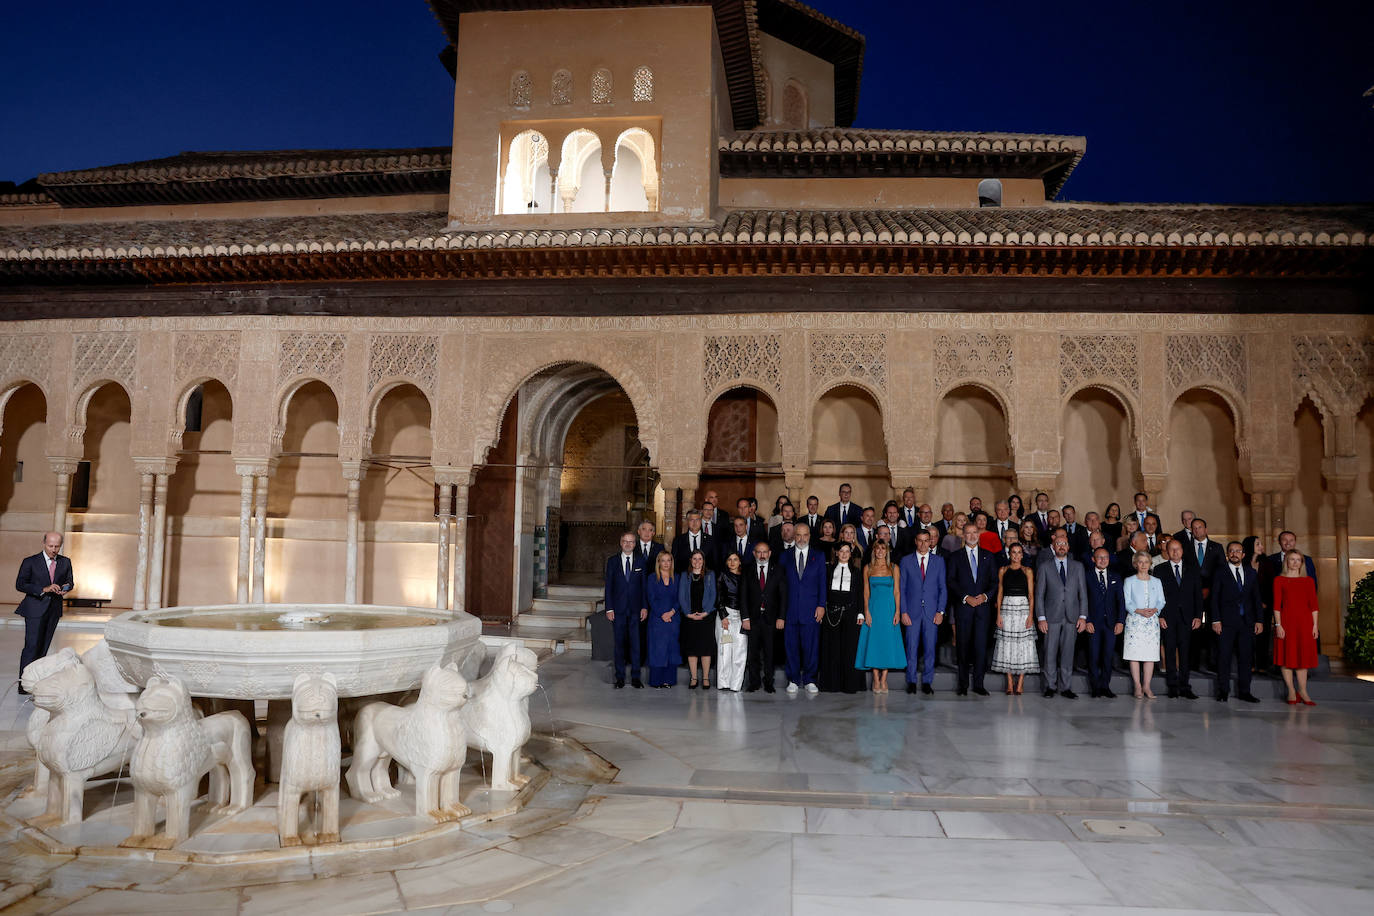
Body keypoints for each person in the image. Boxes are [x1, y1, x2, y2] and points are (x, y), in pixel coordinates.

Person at [15, 531, 73, 687]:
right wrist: (43, 588)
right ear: (44, 543)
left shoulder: (65, 562)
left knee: (44, 647)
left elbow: (69, 582)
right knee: (32, 646)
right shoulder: (30, 561)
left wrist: (65, 588)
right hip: (34, 609)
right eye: (50, 545)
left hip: (53, 609)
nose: (53, 549)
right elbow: (20, 584)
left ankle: (37, 683)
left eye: (57, 546)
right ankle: (24, 684)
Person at [1035, 534, 1088, 699]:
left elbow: (1083, 594)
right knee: (1050, 652)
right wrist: (1041, 617)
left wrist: (1083, 616)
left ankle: (1066, 687)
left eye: (1064, 543)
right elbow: (1039, 595)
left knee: (1068, 653)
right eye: (1058, 544)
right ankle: (1049, 686)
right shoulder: (1045, 566)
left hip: (1072, 617)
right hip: (1051, 616)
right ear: (1053, 546)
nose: (1061, 546)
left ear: (1068, 547)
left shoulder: (1078, 566)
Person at [948, 522, 998, 696]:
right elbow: (951, 581)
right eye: (968, 533)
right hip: (964, 608)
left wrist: (985, 597)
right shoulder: (955, 557)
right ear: (963, 535)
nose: (971, 536)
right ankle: (962, 685)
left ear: (979, 534)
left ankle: (978, 684)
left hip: (983, 609)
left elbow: (994, 582)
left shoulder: (989, 556)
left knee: (981, 647)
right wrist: (965, 597)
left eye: (974, 532)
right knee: (963, 647)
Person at [1211, 541, 1263, 703]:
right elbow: (1214, 598)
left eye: (1238, 551)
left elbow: (1256, 598)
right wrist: (1215, 620)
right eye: (1231, 551)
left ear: (1243, 554)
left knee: (1246, 658)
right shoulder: (1220, 572)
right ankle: (1223, 691)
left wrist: (1259, 620)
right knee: (1224, 657)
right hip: (1226, 622)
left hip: (1246, 622)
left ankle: (1245, 691)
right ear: (1227, 554)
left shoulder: (1251, 572)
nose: (1234, 554)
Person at [1153, 538, 1202, 699]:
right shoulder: (1160, 569)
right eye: (1171, 549)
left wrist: (1198, 615)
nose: (1175, 552)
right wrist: (1159, 616)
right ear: (1166, 551)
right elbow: (1156, 596)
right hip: (1168, 616)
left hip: (1187, 617)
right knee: (1169, 650)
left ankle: (1185, 686)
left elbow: (1197, 595)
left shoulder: (1193, 569)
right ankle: (1172, 686)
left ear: (1182, 550)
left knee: (1185, 652)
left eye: (1178, 549)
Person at [899, 529, 946, 695]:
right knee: (911, 648)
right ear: (915, 541)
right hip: (911, 612)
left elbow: (942, 588)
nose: (923, 544)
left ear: (931, 542)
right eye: (920, 540)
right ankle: (911, 681)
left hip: (932, 612)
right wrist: (903, 612)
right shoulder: (906, 561)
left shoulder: (939, 561)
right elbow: (902, 589)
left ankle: (927, 682)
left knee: (930, 648)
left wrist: (940, 611)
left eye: (927, 540)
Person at [782, 521, 827, 694]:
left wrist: (821, 605)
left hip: (812, 609)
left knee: (811, 646)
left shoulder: (819, 555)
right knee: (791, 646)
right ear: (794, 536)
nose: (801, 538)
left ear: (809, 536)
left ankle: (810, 679)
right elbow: (781, 585)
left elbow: (822, 583)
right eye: (798, 535)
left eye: (805, 535)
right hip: (790, 609)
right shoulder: (784, 556)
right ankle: (793, 679)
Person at [855, 541, 905, 693]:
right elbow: (865, 592)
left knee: (887, 642)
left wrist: (897, 612)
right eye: (877, 548)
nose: (880, 551)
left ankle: (884, 679)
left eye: (883, 549)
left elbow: (897, 592)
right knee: (874, 643)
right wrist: (866, 612)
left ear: (887, 551)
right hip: (874, 610)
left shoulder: (894, 568)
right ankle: (876, 680)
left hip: (889, 610)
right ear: (874, 551)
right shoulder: (868, 568)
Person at [1273, 549, 1319, 705]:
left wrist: (1315, 626)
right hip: (1286, 622)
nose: (1295, 562)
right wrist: (1278, 625)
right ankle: (1291, 691)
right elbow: (1276, 606)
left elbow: (1314, 606)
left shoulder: (1308, 581)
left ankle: (1303, 691)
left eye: (1298, 560)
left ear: (1302, 563)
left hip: (1305, 624)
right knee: (1287, 657)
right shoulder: (1279, 580)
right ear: (1286, 561)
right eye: (1292, 559)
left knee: (1302, 659)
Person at [990, 543, 1038, 696]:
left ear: (1022, 555)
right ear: (1009, 554)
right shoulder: (1003, 570)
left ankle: (1021, 683)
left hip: (1023, 609)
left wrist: (1030, 615)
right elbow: (1000, 593)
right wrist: (998, 614)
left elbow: (1031, 595)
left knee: (1023, 644)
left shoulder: (1028, 571)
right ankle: (1010, 682)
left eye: (1019, 553)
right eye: (1014, 553)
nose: (1016, 555)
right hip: (1006, 608)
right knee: (1007, 644)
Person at [819, 543, 865, 693]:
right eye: (841, 551)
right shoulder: (828, 570)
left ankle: (849, 685)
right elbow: (823, 591)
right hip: (831, 613)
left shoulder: (857, 572)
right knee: (832, 648)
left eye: (847, 551)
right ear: (837, 553)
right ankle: (831, 684)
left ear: (850, 554)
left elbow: (860, 594)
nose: (844, 554)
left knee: (849, 649)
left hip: (851, 613)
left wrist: (860, 613)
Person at [603, 532, 647, 689]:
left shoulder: (641, 561)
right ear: (621, 543)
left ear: (635, 544)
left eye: (631, 542)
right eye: (625, 541)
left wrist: (644, 606)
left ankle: (636, 677)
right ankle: (620, 678)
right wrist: (609, 608)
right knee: (619, 644)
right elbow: (609, 587)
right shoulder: (612, 561)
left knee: (636, 644)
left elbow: (643, 587)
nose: (628, 544)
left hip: (636, 610)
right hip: (618, 610)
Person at [742, 542, 786, 692]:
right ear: (754, 553)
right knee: (753, 653)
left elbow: (783, 596)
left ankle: (769, 682)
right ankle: (754, 682)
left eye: (765, 552)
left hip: (771, 619)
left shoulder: (778, 570)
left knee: (769, 652)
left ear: (770, 553)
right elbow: (743, 595)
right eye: (759, 552)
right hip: (752, 619)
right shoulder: (747, 569)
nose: (762, 555)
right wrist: (745, 618)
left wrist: (781, 617)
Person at [1083, 547, 1125, 698]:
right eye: (1099, 557)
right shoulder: (1086, 576)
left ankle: (1105, 685)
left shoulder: (1116, 577)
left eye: (1105, 557)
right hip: (1093, 623)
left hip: (1111, 624)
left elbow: (1121, 601)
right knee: (1094, 656)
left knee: (1108, 656)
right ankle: (1095, 687)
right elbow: (1083, 599)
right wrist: (1086, 620)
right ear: (1093, 559)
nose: (1103, 560)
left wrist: (1120, 621)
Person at [1123, 550, 1166, 699]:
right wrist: (1139, 611)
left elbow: (1162, 600)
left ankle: (1147, 686)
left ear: (1150, 564)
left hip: (1151, 621)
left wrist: (1155, 609)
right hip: (1135, 620)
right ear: (1135, 564)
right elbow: (1127, 601)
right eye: (1140, 562)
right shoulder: (1129, 581)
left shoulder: (1157, 581)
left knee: (1150, 655)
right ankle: (1137, 686)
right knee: (1134, 654)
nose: (1143, 565)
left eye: (1146, 562)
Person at [678, 550, 717, 689]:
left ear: (703, 560)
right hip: (690, 617)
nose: (697, 561)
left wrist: (705, 613)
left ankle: (705, 678)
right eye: (694, 558)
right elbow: (681, 596)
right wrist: (688, 614)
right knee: (692, 649)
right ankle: (694, 678)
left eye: (700, 558)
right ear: (690, 560)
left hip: (706, 617)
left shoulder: (710, 575)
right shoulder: (685, 575)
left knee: (706, 649)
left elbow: (713, 595)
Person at [644, 552, 681, 688]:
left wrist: (671, 613)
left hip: (673, 619)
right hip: (657, 620)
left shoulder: (677, 578)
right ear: (658, 562)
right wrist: (662, 615)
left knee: (671, 649)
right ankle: (656, 681)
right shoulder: (652, 578)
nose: (666, 563)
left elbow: (680, 599)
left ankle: (668, 680)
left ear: (672, 562)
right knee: (657, 649)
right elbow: (651, 599)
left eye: (668, 560)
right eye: (663, 560)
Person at [715, 552, 747, 691]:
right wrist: (723, 616)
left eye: (735, 559)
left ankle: (736, 684)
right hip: (725, 617)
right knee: (725, 650)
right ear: (726, 562)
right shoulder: (723, 575)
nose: (732, 562)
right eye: (729, 560)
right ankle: (723, 683)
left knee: (740, 650)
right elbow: (719, 596)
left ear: (740, 562)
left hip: (741, 617)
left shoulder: (746, 577)